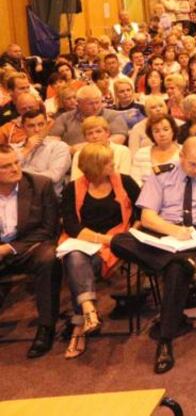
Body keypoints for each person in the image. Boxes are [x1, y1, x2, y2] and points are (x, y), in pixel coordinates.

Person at [111, 137, 196, 374]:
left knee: (176, 270)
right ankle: (179, 261)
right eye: (192, 164)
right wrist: (174, 231)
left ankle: (165, 340)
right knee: (118, 241)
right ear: (181, 156)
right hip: (164, 235)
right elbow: (147, 217)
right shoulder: (161, 175)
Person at [60, 143, 141, 359]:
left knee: (75, 264)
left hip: (118, 243)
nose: (113, 164)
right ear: (94, 167)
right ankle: (87, 313)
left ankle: (82, 321)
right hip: (84, 242)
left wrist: (132, 231)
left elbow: (143, 210)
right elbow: (71, 226)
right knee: (76, 257)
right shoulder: (72, 189)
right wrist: (102, 239)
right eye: (107, 162)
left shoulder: (125, 181)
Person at [0, 144, 61, 358]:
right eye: (6, 166)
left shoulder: (40, 185)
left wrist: (8, 249)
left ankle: (46, 328)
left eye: (16, 162)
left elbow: (48, 229)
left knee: (49, 258)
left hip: (28, 247)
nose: (15, 169)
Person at [16, 108, 71, 196]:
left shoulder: (59, 147)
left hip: (45, 198)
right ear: (23, 128)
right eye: (31, 126)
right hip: (15, 196)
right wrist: (27, 149)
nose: (37, 129)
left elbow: (53, 177)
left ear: (46, 125)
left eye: (41, 124)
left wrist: (19, 176)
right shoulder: (13, 148)